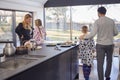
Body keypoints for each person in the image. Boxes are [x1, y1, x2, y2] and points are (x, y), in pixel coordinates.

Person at [80, 7, 118, 80]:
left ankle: (101, 78)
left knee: (100, 63)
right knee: (109, 61)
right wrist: (109, 34)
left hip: (100, 45)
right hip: (110, 44)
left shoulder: (97, 21)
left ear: (98, 13)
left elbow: (92, 34)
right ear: (105, 12)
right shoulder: (111, 21)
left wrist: (84, 37)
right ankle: (107, 76)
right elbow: (116, 32)